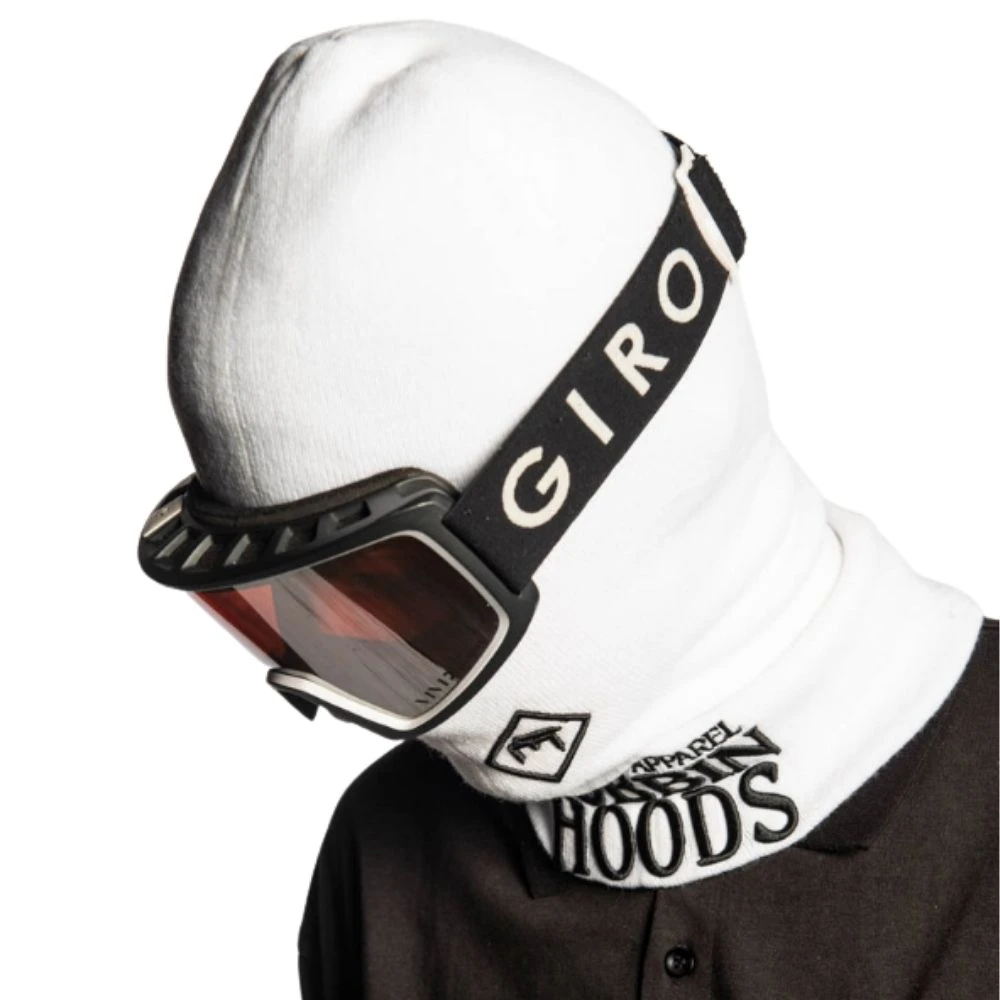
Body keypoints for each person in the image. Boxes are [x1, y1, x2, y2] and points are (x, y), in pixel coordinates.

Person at [138, 21, 997, 999]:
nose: (327, 693)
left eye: (383, 599)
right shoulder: (383, 866)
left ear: (574, 481)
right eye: (279, 608)